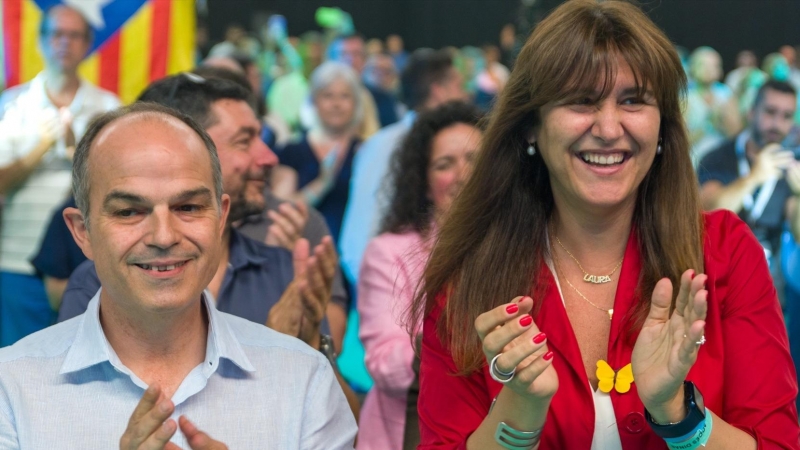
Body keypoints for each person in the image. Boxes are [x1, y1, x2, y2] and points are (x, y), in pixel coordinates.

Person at [410, 1, 799, 449]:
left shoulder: (726, 253)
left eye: (633, 100)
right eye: (581, 100)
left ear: (662, 127)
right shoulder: (468, 280)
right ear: (532, 126)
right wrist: (520, 410)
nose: (610, 128)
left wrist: (678, 415)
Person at [0, 102, 357, 448]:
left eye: (188, 207)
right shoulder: (12, 388)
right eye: (129, 212)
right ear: (82, 232)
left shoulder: (304, 379)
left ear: (220, 219)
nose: (164, 236)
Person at [357, 101, 483, 450]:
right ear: (425, 185)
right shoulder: (390, 252)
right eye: (446, 164)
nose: (464, 174)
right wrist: (458, 337)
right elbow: (386, 366)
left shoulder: (528, 243)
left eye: (475, 159)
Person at [0, 4, 119, 346]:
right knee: (15, 362)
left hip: (85, 259)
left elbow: (118, 184)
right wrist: (38, 149)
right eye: (56, 34)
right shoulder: (12, 104)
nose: (64, 43)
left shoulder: (108, 106)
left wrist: (76, 153)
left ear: (87, 45)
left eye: (74, 35)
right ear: (40, 41)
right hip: (17, 257)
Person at [339, 49, 467, 288]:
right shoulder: (385, 146)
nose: (466, 95)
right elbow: (357, 240)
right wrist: (385, 295)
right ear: (439, 91)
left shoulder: (460, 141)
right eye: (459, 86)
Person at [698, 80, 800, 272]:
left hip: (769, 279)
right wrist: (753, 177)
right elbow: (709, 212)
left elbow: (799, 234)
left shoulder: (791, 162)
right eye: (770, 112)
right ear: (752, 112)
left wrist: (799, 195)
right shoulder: (718, 156)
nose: (777, 124)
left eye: (786, 116)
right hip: (720, 273)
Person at [684, 47, 740, 166]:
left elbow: (736, 135)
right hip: (693, 162)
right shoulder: (685, 96)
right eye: (704, 65)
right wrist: (708, 124)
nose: (709, 70)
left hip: (721, 162)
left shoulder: (726, 94)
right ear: (693, 67)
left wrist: (724, 119)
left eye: (713, 65)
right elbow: (680, 140)